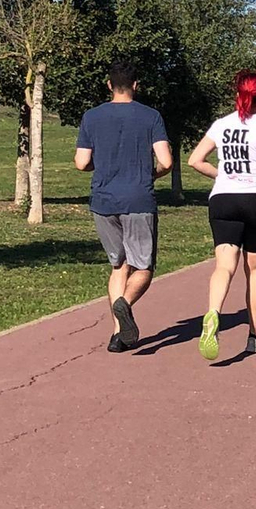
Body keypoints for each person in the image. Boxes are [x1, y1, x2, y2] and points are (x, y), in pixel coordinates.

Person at [75, 60, 173, 352]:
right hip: (138, 200)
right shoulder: (151, 116)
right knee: (143, 268)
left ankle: (119, 335)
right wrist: (149, 173)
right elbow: (166, 161)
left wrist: (102, 166)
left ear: (109, 85)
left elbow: (81, 162)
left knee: (119, 266)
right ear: (135, 85)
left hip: (103, 201)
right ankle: (124, 304)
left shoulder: (92, 117)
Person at [188, 70, 256, 360]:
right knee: (255, 269)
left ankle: (213, 313)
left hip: (223, 200)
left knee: (223, 265)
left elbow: (195, 160)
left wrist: (224, 176)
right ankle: (255, 335)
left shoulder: (221, 124)